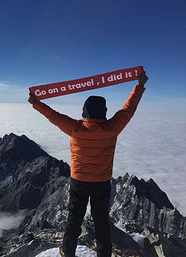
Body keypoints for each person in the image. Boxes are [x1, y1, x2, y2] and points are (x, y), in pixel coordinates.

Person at [28, 72, 149, 257]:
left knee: (74, 219)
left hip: (79, 181)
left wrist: (36, 103)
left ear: (85, 111)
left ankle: (67, 252)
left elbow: (53, 115)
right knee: (101, 221)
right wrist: (139, 86)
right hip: (102, 182)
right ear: (104, 112)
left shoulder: (75, 128)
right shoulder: (112, 128)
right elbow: (128, 109)